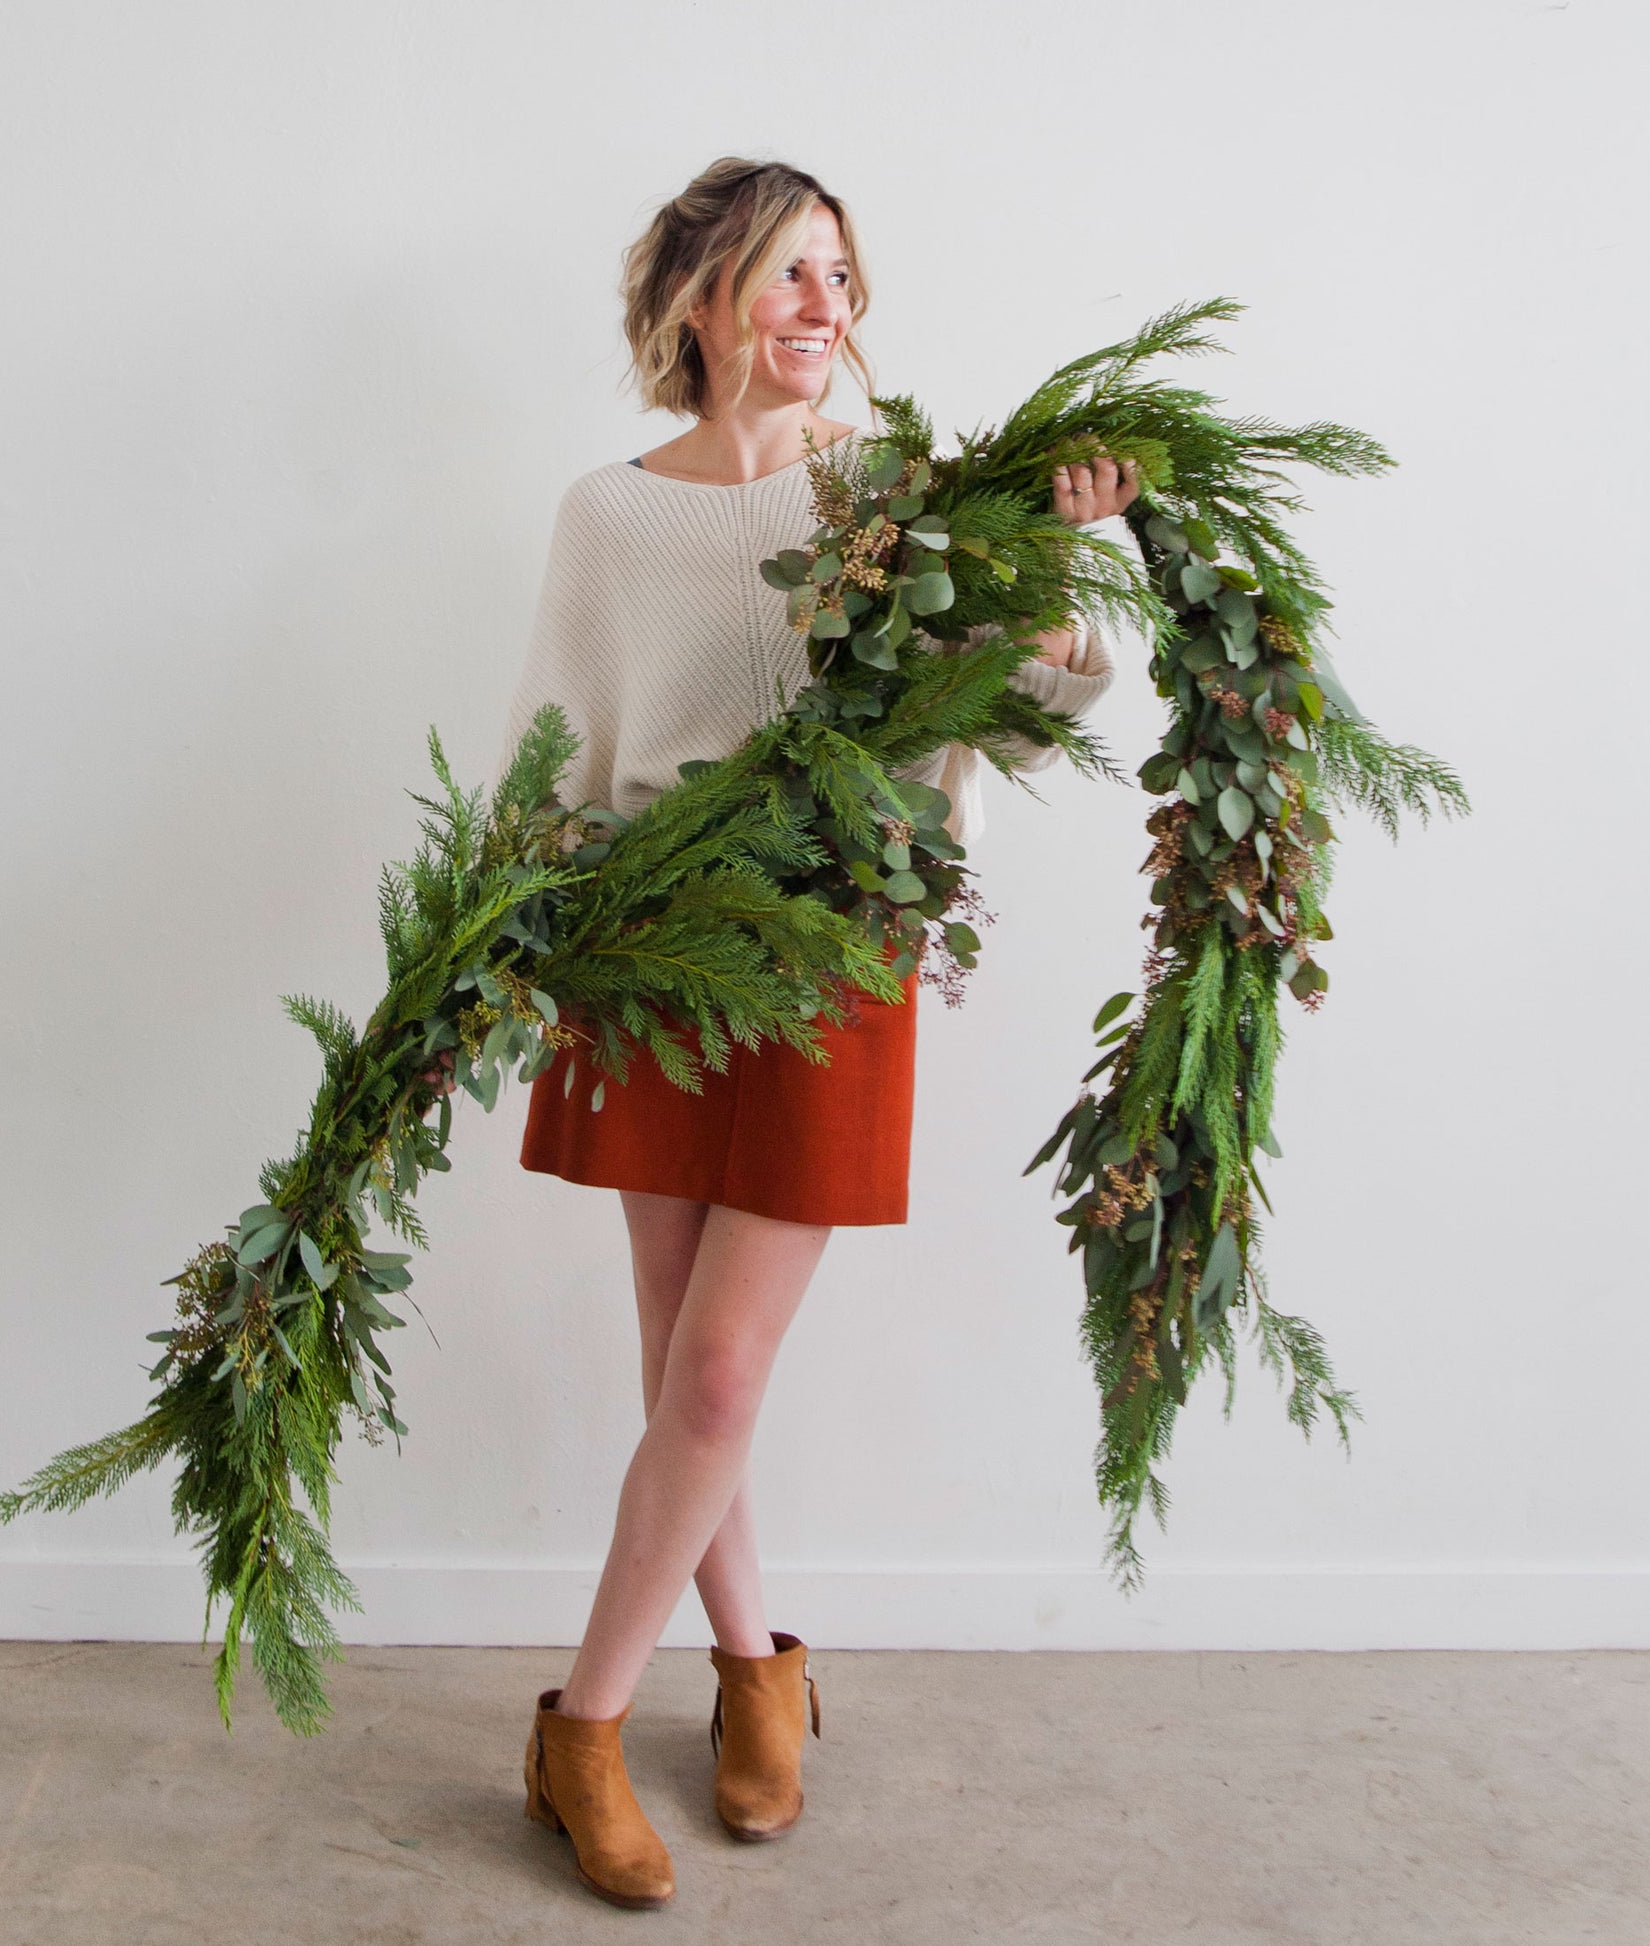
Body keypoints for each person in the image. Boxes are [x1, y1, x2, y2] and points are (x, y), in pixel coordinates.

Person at [431, 157, 1135, 1912]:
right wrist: (499, 936)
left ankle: (578, 1725)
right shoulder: (610, 515)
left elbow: (1020, 705)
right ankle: (759, 1671)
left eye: (843, 277)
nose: (831, 309)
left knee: (719, 1374)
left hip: (832, 954)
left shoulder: (895, 493)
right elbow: (552, 748)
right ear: (698, 302)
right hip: (648, 956)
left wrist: (1054, 606)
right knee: (691, 1369)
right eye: (791, 276)